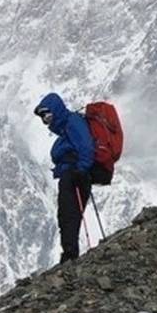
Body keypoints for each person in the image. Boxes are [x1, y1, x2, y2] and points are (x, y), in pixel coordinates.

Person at [34, 92, 94, 263]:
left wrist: (81, 170)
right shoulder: (66, 128)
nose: (46, 120)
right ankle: (69, 251)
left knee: (69, 214)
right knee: (67, 214)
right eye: (44, 117)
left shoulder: (72, 123)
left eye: (48, 115)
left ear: (57, 110)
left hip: (76, 175)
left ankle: (70, 254)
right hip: (72, 174)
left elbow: (86, 147)